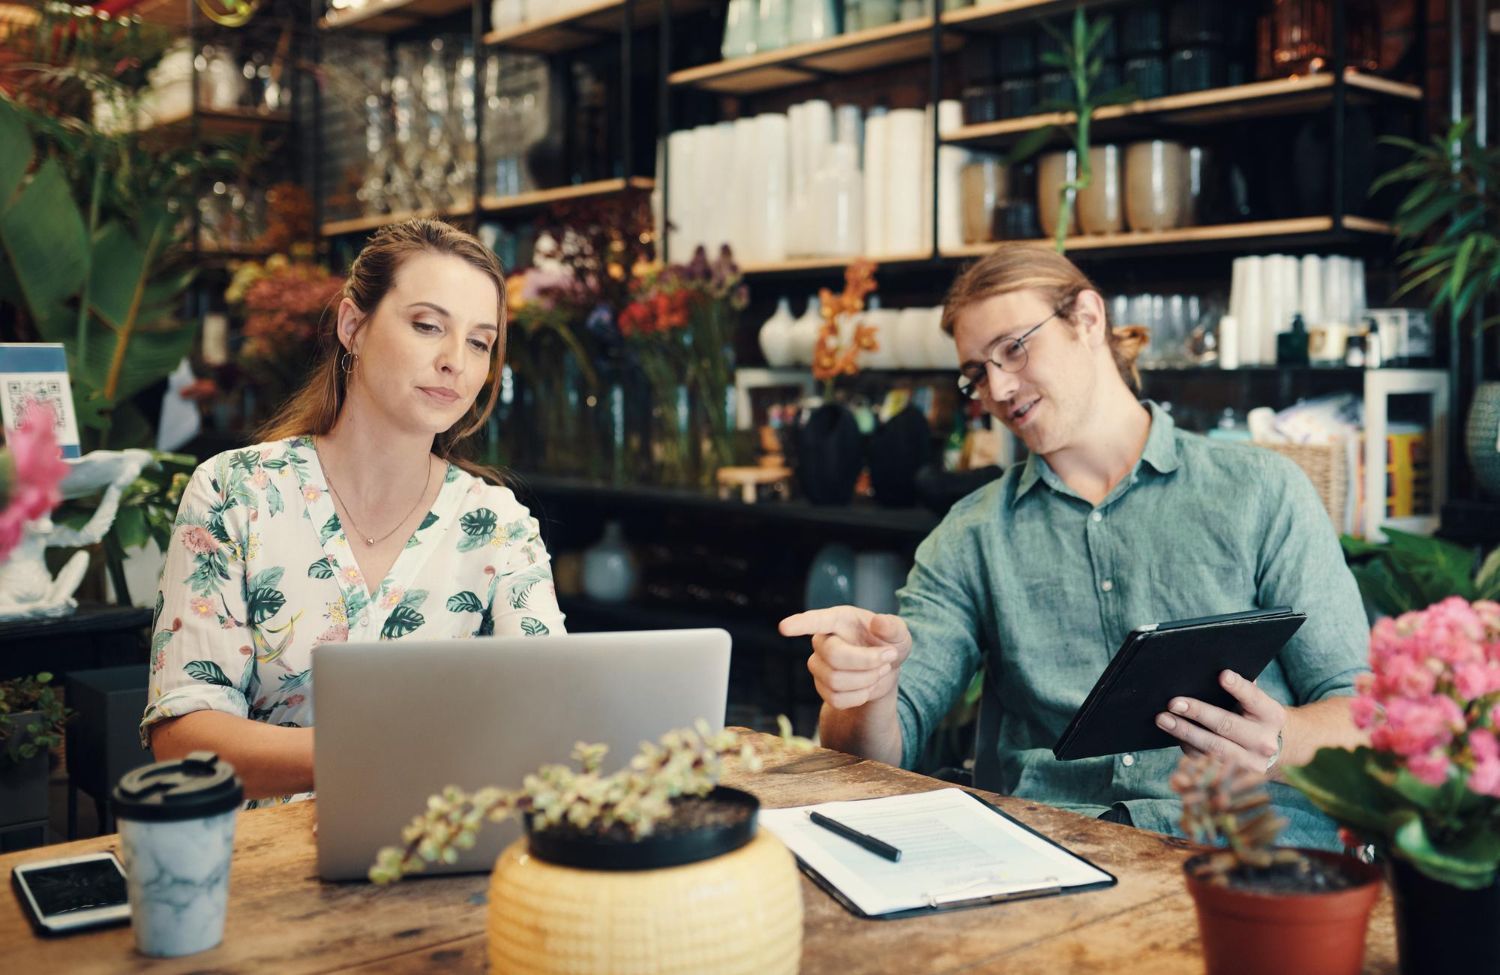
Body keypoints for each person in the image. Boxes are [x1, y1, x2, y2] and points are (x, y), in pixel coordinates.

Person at [780, 245, 1369, 848]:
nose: (1000, 388)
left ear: (1087, 318)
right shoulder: (971, 534)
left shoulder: (1261, 492)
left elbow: (1365, 717)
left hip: (1245, 853)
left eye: (1014, 347)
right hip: (1055, 852)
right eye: (978, 372)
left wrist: (1281, 738)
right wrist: (863, 691)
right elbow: (879, 749)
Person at [142, 219, 565, 805]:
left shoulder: (499, 526)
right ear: (352, 327)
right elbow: (184, 737)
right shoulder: (236, 492)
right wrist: (377, 757)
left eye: (479, 342)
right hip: (262, 869)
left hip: (438, 856)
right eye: (427, 326)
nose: (455, 362)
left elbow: (549, 714)